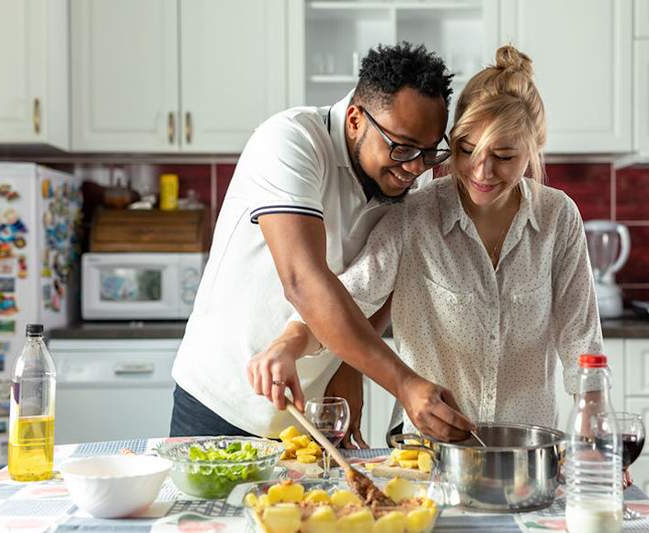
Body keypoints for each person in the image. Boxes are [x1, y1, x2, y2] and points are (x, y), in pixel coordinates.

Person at [250, 44, 603, 436]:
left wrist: (596, 434)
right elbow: (353, 295)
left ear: (533, 152)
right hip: (428, 446)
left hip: (526, 446)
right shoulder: (415, 213)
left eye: (503, 156)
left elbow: (581, 341)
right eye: (466, 150)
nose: (481, 172)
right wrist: (289, 343)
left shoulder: (558, 216)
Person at [170, 42, 475, 444]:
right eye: (401, 147)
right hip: (220, 400)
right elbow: (304, 281)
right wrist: (403, 383)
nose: (415, 168)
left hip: (309, 415)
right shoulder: (289, 142)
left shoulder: (402, 172)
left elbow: (378, 281)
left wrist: (347, 369)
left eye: (428, 151)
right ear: (354, 120)